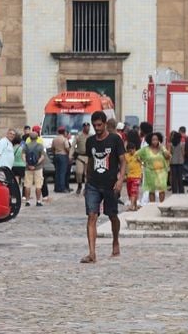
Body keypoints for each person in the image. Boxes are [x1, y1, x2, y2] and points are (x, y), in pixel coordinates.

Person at [82, 110, 126, 264]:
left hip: (110, 184)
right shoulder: (90, 141)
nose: (97, 128)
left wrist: (120, 180)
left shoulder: (115, 140)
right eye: (95, 125)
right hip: (93, 184)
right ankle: (92, 253)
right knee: (92, 216)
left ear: (105, 123)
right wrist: (86, 183)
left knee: (112, 215)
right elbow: (90, 162)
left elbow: (123, 161)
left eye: (99, 125)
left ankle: (115, 240)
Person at [138, 132, 170, 204]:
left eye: (156, 139)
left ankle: (162, 204)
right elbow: (136, 155)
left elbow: (168, 156)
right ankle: (152, 205)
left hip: (161, 172)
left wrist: (163, 148)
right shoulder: (146, 149)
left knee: (161, 189)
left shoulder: (162, 148)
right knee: (151, 190)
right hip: (150, 172)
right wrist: (142, 163)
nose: (155, 141)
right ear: (150, 140)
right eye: (153, 140)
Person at [23, 126, 46, 207]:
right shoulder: (40, 146)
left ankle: (27, 201)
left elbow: (23, 155)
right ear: (37, 137)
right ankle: (38, 201)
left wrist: (27, 164)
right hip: (38, 168)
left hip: (28, 168)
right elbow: (42, 156)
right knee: (38, 185)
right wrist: (36, 164)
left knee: (27, 185)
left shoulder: (26, 145)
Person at [123, 130, 143, 212]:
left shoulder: (138, 154)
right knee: (130, 192)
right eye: (129, 150)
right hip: (129, 176)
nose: (131, 151)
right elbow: (124, 165)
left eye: (132, 150)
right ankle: (134, 205)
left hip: (136, 176)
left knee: (133, 191)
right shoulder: (126, 155)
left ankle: (131, 206)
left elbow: (143, 163)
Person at [51, 127, 71, 194]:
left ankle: (56, 187)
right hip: (63, 155)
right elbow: (67, 148)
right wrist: (69, 154)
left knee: (57, 172)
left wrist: (55, 153)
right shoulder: (64, 139)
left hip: (56, 155)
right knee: (63, 172)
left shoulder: (55, 139)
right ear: (64, 132)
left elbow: (52, 148)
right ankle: (62, 188)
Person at [73, 122, 91, 194]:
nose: (87, 128)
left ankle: (86, 188)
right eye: (86, 127)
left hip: (88, 157)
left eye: (88, 127)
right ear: (83, 128)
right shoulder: (78, 136)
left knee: (87, 174)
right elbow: (73, 146)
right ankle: (79, 185)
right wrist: (70, 155)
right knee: (79, 172)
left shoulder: (91, 136)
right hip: (80, 156)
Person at [169, 130, 187, 195]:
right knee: (180, 177)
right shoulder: (182, 144)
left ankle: (174, 191)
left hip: (173, 162)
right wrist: (183, 158)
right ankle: (181, 191)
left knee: (174, 178)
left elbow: (170, 153)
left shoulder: (171, 144)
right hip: (180, 162)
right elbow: (183, 153)